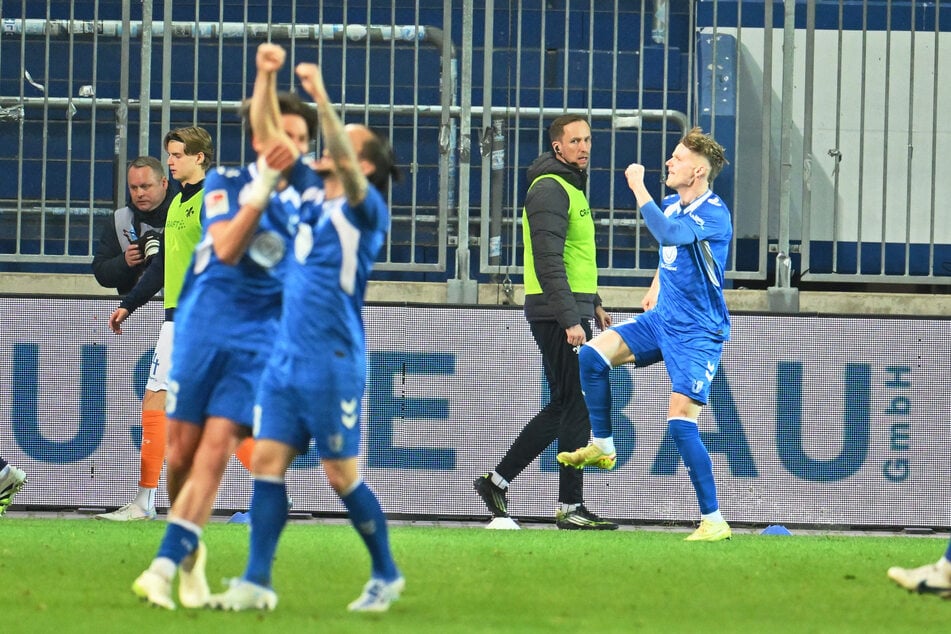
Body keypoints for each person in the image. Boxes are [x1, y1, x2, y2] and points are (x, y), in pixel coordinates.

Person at [207, 61, 404, 613]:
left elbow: (344, 158)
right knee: (266, 463)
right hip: (286, 360)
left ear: (361, 164)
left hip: (332, 360)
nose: (324, 145)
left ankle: (386, 573)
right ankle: (256, 581)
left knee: (340, 475)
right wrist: (265, 77)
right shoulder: (313, 196)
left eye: (342, 143)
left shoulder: (367, 211)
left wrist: (320, 93)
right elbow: (269, 137)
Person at [131, 43, 318, 611]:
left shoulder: (306, 200)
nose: (288, 146)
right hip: (197, 327)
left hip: (245, 337)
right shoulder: (222, 187)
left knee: (214, 443)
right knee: (186, 453)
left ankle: (164, 565)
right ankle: (192, 558)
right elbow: (226, 246)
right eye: (279, 135)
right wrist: (265, 75)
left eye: (300, 140)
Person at [556, 127, 733, 542]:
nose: (669, 162)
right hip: (663, 319)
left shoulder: (714, 214)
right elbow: (671, 250)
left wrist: (637, 186)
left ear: (699, 172)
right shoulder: (672, 204)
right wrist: (656, 285)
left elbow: (670, 235)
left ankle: (713, 520)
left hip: (696, 331)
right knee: (592, 356)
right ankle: (603, 445)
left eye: (678, 158)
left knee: (680, 424)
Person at [473, 114, 617, 531]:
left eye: (587, 140)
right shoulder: (551, 189)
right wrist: (571, 317)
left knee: (563, 404)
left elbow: (573, 256)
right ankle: (570, 506)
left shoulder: (568, 185)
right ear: (558, 147)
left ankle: (497, 482)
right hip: (556, 312)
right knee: (576, 404)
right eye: (575, 141)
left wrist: (593, 303)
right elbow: (549, 261)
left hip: (567, 307)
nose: (584, 147)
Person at [97, 127, 216, 521]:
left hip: (195, 318)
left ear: (199, 157)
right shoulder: (179, 202)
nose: (171, 161)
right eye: (169, 155)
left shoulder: (213, 201)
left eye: (178, 155)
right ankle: (274, 493)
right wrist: (129, 305)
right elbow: (163, 265)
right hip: (180, 316)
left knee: (157, 400)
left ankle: (144, 502)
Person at [91, 156, 172, 295]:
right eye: (134, 188)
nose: (139, 193)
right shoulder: (120, 220)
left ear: (164, 183)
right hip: (132, 306)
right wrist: (125, 261)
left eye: (145, 186)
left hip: (180, 306)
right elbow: (101, 273)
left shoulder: (185, 215)